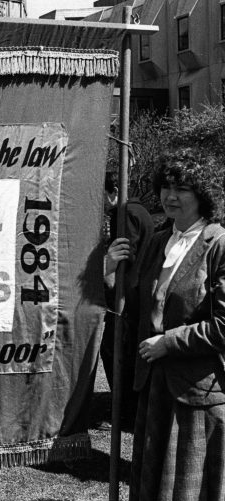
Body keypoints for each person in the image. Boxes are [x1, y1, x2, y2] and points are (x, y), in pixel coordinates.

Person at [106, 148, 225, 501]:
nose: (170, 196)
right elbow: (134, 309)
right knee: (152, 488)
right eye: (166, 187)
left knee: (190, 491)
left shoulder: (218, 244)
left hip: (196, 390)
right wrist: (110, 272)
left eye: (182, 189)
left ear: (202, 195)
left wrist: (168, 342)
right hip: (154, 384)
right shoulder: (159, 241)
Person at [101, 171, 154, 425]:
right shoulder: (139, 211)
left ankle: (125, 410)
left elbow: (125, 255)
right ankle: (128, 408)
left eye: (102, 195)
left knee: (115, 350)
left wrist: (108, 271)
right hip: (137, 291)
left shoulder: (124, 213)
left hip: (127, 295)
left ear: (113, 192)